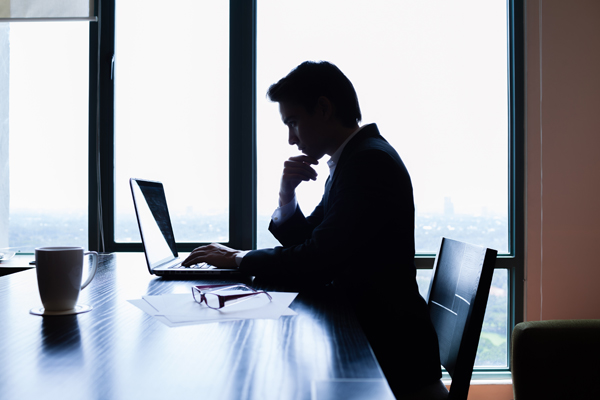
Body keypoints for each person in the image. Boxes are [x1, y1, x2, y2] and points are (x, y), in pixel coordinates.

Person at [183, 61, 444, 398]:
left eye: (293, 122)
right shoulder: (353, 159)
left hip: (388, 350)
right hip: (370, 333)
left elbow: (318, 260)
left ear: (323, 108)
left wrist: (239, 259)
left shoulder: (368, 163)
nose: (291, 139)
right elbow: (313, 242)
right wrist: (286, 195)